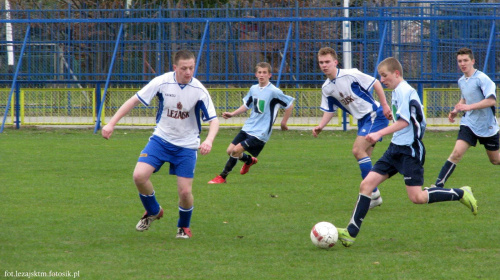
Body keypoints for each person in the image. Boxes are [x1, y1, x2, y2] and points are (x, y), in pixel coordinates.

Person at [336, 57, 478, 247]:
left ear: (396, 73)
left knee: (417, 197)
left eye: (385, 75)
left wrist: (378, 132)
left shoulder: (404, 91)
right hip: (395, 148)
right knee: (366, 185)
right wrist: (390, 115)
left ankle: (460, 193)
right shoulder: (396, 91)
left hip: (410, 150)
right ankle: (350, 233)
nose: (382, 79)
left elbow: (404, 122)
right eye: (380, 76)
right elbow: (403, 117)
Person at [101, 50, 219, 239]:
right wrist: (111, 123)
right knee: (139, 176)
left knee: (185, 191)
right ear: (175, 68)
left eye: (191, 68)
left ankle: (183, 227)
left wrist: (209, 140)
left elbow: (214, 121)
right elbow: (134, 100)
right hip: (161, 140)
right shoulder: (162, 82)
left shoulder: (199, 91)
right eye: (184, 68)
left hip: (187, 146)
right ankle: (154, 211)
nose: (188, 72)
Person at [313, 47, 393, 209]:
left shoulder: (350, 74)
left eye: (327, 62)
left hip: (374, 114)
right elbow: (330, 110)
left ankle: (373, 194)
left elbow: (376, 82)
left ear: (335, 62)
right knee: (365, 156)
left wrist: (385, 106)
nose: (324, 65)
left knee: (357, 150)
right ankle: (373, 193)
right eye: (321, 62)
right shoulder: (326, 88)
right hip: (363, 121)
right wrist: (321, 126)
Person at [208, 62, 294, 184]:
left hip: (261, 132)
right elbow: (246, 105)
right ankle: (249, 161)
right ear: (255, 74)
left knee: (236, 151)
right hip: (249, 127)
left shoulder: (274, 91)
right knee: (230, 151)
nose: (261, 75)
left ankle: (222, 177)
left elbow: (289, 105)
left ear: (270, 75)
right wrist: (232, 114)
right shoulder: (253, 89)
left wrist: (283, 123)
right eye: (259, 72)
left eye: (264, 72)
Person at [434, 47, 499, 188]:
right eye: (459, 61)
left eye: (465, 60)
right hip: (469, 123)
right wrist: (455, 110)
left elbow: (491, 101)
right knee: (456, 154)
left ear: (472, 61)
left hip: (487, 125)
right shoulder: (461, 81)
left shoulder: (482, 79)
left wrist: (469, 107)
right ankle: (437, 186)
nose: (462, 64)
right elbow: (464, 99)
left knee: (495, 160)